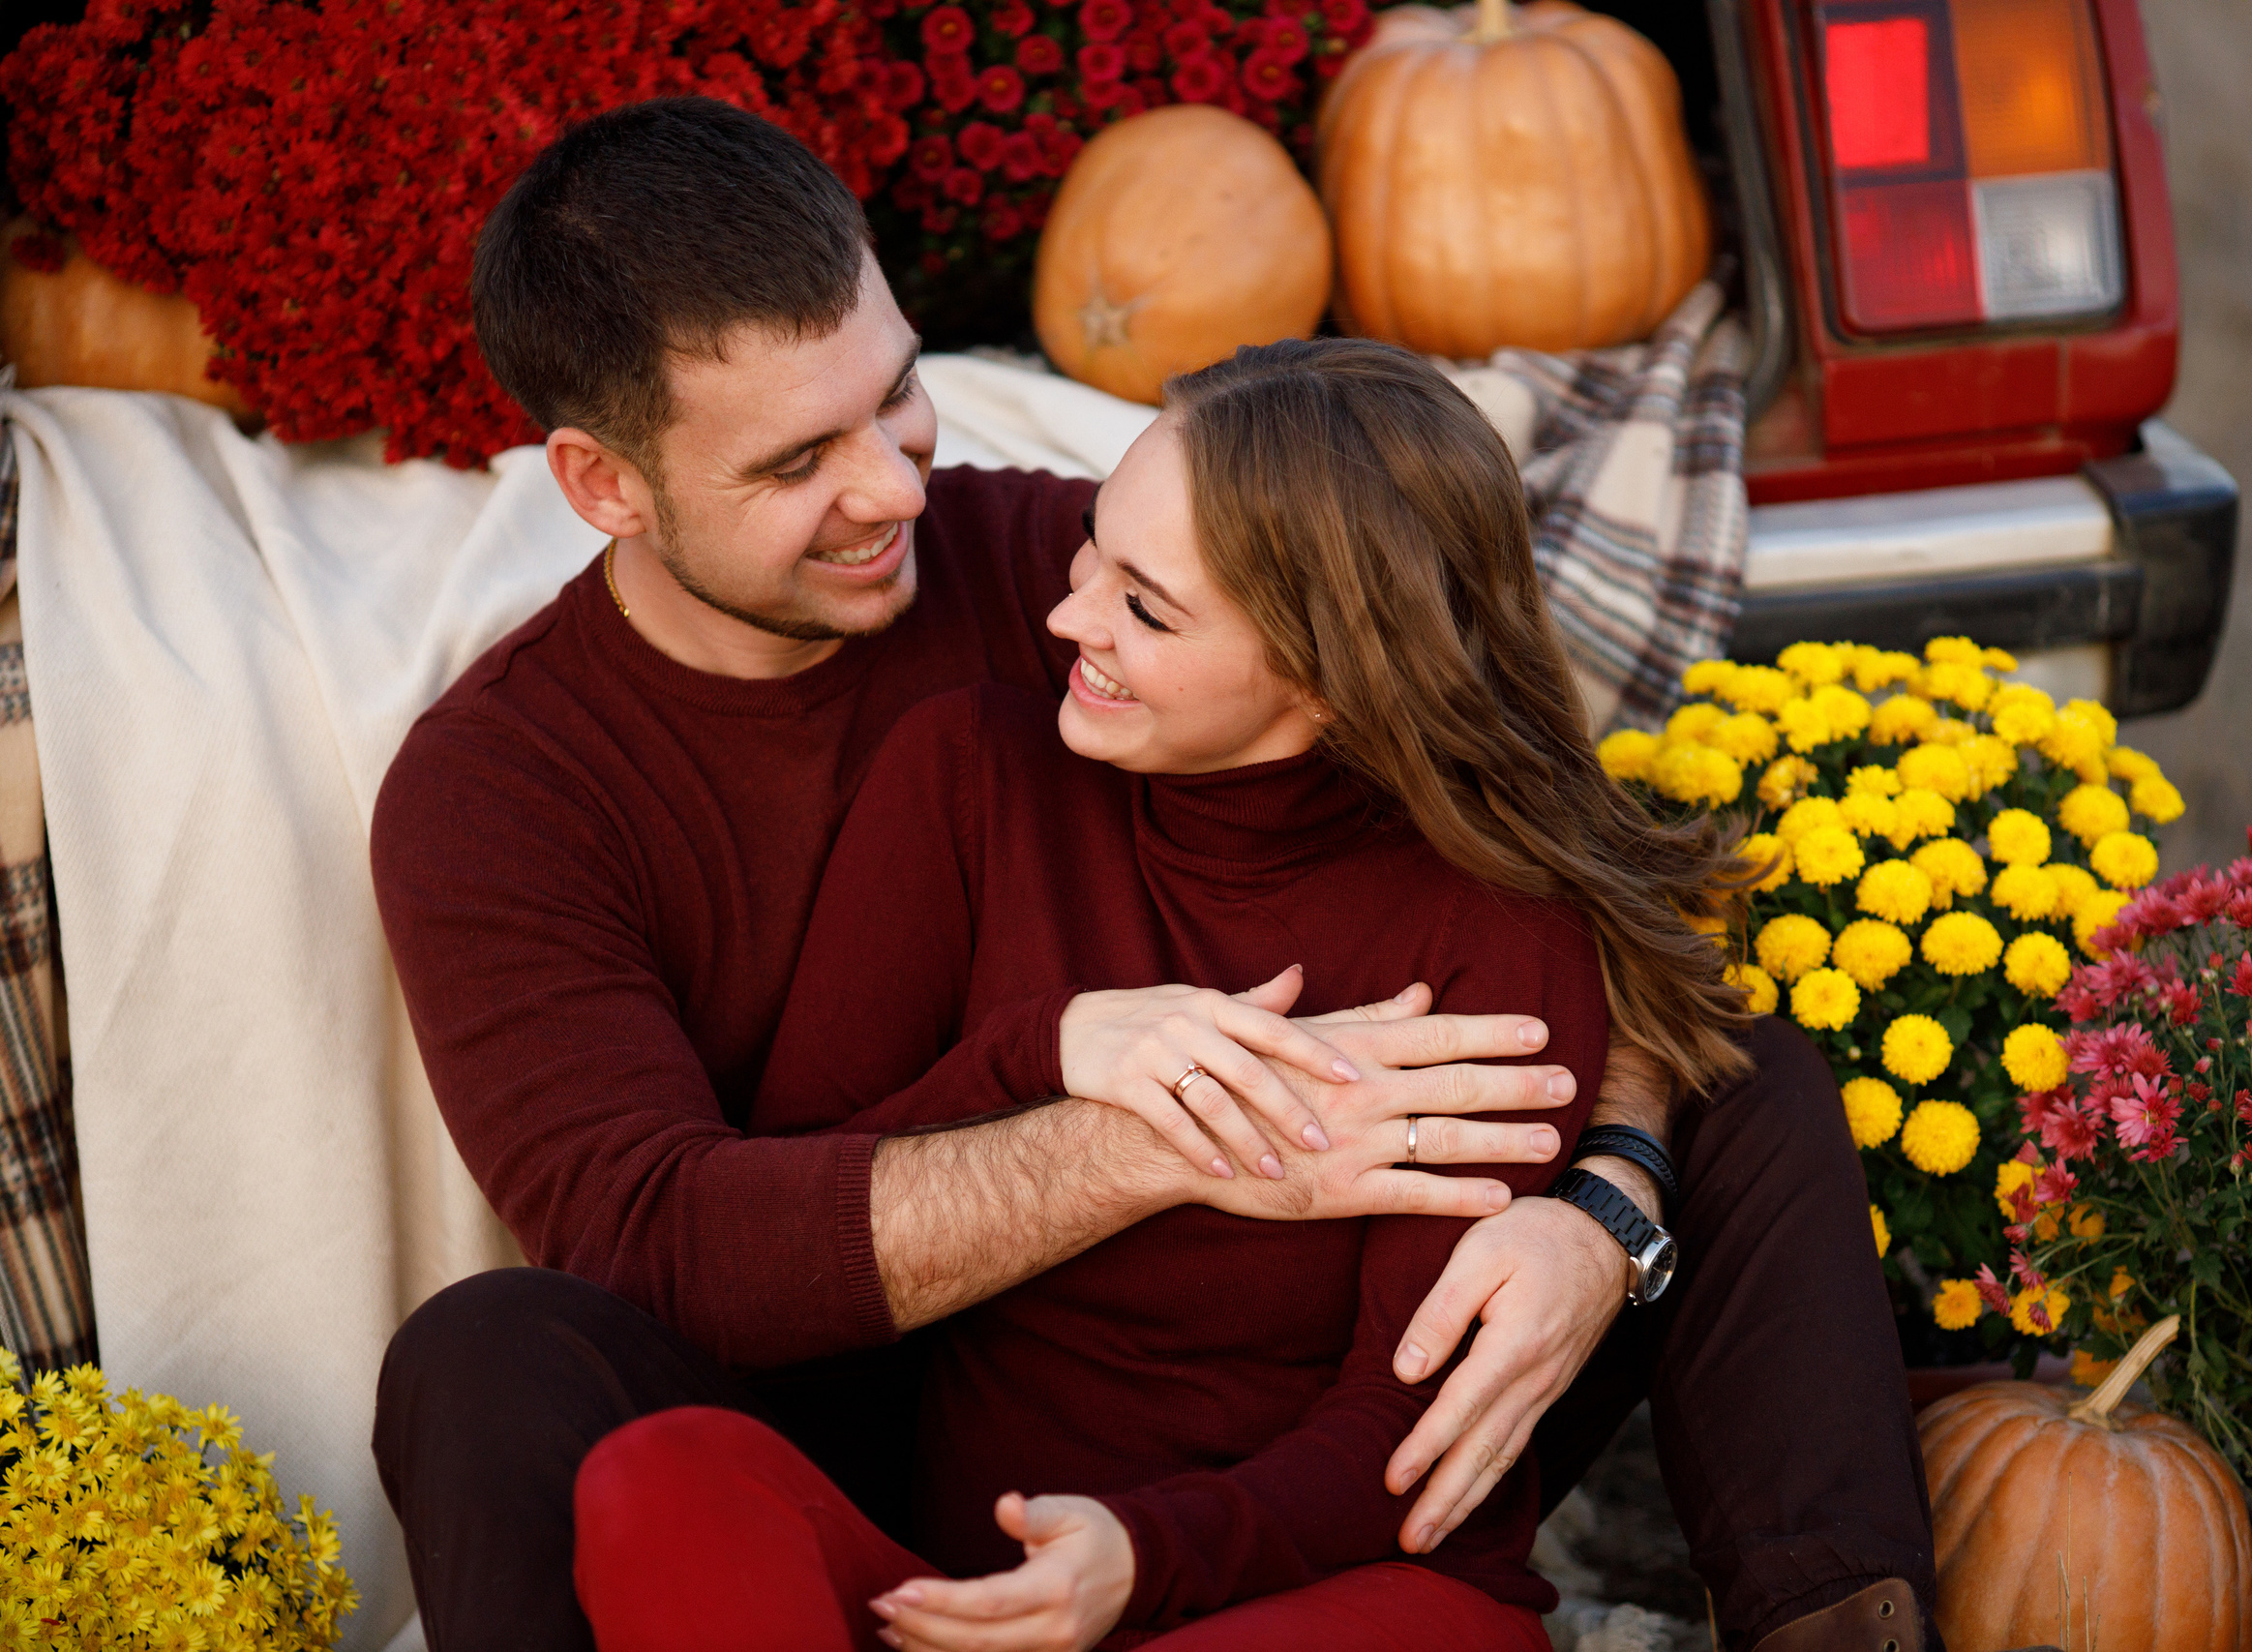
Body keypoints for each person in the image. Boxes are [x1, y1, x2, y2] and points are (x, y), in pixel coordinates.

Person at [369, 96, 1937, 1652]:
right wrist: (1136, 1119)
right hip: (850, 1403)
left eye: (898, 394)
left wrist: (1605, 1207)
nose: (898, 491)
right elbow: (664, 1249)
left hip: (1316, 1427)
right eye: (796, 463)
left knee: (1744, 1074)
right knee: (487, 1359)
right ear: (605, 485)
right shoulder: (501, 793)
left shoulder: (1075, 566)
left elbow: (1569, 860)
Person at [566, 335, 1761, 1652]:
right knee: (659, 1478)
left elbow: (1410, 1425)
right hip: (954, 1592)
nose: (1071, 618)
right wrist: (1049, 1050)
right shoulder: (969, 776)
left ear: (1327, 675)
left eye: (1146, 608)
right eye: (1093, 549)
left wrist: (1138, 1562)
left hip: (1299, 1589)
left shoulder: (1486, 926)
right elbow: (806, 1218)